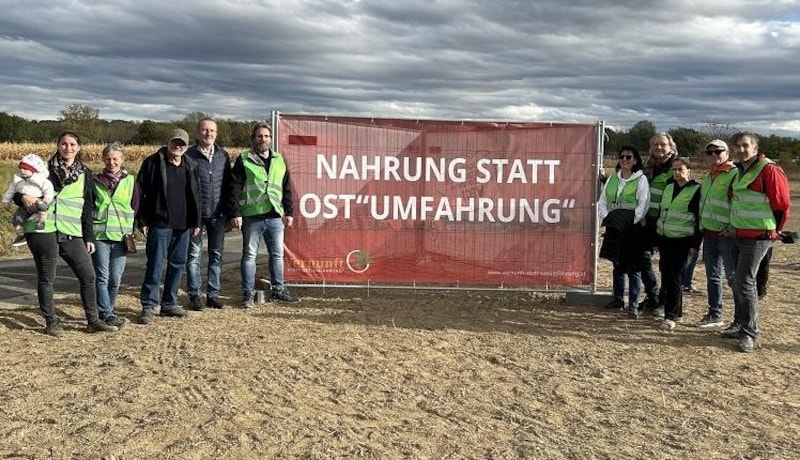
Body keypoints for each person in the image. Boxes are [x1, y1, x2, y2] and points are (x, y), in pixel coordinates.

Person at [17, 132, 118, 336]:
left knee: (89, 276)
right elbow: (19, 189)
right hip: (42, 229)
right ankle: (51, 322)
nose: (68, 148)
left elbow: (87, 207)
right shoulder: (41, 169)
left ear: (78, 147)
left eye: (72, 144)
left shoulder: (85, 174)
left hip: (71, 231)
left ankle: (93, 320)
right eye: (64, 144)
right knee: (47, 277)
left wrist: (88, 237)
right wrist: (23, 197)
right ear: (58, 146)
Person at [722, 132, 791, 353]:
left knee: (745, 282)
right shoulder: (740, 171)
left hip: (758, 237)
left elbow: (781, 205)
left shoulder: (769, 169)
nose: (741, 150)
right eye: (737, 147)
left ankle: (749, 332)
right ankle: (740, 323)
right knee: (736, 281)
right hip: (738, 235)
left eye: (745, 146)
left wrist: (774, 232)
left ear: (755, 147)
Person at [228, 122, 299, 308]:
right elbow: (234, 188)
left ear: (271, 139)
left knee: (276, 255)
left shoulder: (279, 159)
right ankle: (248, 294)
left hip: (275, 216)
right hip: (252, 216)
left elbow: (286, 188)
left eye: (266, 136)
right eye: (259, 136)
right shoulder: (244, 159)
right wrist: (235, 212)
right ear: (254, 139)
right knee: (249, 255)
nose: (263, 139)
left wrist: (289, 211)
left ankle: (278, 290)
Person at [136, 128, 201, 324]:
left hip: (183, 225)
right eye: (175, 142)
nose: (178, 146)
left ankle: (169, 304)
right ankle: (148, 305)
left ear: (187, 146)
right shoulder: (153, 163)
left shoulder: (191, 165)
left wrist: (196, 221)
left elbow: (196, 195)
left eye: (182, 144)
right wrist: (142, 220)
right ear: (168, 142)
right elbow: (140, 192)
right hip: (159, 223)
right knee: (155, 265)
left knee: (177, 265)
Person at [91, 142, 140, 329]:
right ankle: (106, 313)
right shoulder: (95, 180)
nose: (111, 162)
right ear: (103, 159)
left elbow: (135, 206)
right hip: (100, 235)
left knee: (115, 279)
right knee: (102, 277)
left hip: (121, 237)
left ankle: (108, 310)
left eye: (115, 159)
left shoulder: (130, 181)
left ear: (122, 160)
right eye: (108, 159)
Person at [597, 146, 650, 318]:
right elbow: (602, 202)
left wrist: (628, 223)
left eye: (629, 157)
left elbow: (643, 205)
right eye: (622, 157)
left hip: (632, 229)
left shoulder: (640, 179)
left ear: (635, 160)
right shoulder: (612, 179)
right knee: (617, 265)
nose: (625, 160)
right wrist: (610, 220)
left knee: (634, 268)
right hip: (615, 228)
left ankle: (633, 305)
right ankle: (618, 299)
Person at [185, 118, 232, 310]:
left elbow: (228, 185)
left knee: (216, 255)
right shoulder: (189, 155)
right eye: (205, 130)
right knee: (194, 255)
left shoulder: (223, 156)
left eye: (212, 131)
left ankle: (213, 294)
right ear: (198, 133)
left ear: (216, 134)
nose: (208, 134)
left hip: (218, 214)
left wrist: (229, 212)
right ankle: (195, 295)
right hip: (196, 215)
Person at [655, 157, 702, 332]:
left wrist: (695, 245)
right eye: (674, 169)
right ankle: (677, 311)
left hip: (683, 240)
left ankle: (670, 316)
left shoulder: (696, 190)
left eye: (680, 169)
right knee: (667, 275)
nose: (676, 173)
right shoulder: (668, 187)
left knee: (674, 277)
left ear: (688, 170)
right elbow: (663, 213)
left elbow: (699, 220)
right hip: (665, 239)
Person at [695, 139, 738, 329]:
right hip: (709, 234)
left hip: (727, 235)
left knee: (734, 279)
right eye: (709, 152)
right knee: (713, 276)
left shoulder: (734, 174)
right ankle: (715, 314)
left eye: (718, 151)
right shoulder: (708, 177)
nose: (713, 155)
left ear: (727, 153)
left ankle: (740, 320)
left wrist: (732, 226)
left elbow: (739, 203)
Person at [641, 133, 679, 317]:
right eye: (655, 144)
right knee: (642, 260)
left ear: (671, 147)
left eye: (663, 144)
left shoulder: (676, 167)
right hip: (646, 221)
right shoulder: (648, 166)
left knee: (667, 266)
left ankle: (664, 302)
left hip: (666, 222)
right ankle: (653, 296)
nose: (659, 147)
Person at [3, 153, 55, 247]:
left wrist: (46, 199)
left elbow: (48, 189)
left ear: (33, 170)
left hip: (39, 201)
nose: (22, 171)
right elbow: (10, 191)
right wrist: (6, 201)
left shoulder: (41, 180)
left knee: (41, 206)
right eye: (21, 168)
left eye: (26, 169)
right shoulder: (18, 181)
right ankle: (20, 235)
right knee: (17, 218)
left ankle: (41, 221)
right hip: (24, 206)